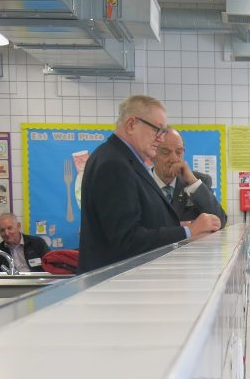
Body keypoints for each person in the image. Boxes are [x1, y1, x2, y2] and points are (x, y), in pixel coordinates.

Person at [78, 95, 220, 273]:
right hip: (114, 285)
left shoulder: (123, 160)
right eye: (157, 130)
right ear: (131, 125)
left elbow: (138, 222)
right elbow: (127, 239)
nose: (161, 138)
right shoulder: (114, 164)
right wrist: (189, 231)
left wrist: (177, 227)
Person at [152, 129, 228, 227]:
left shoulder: (200, 180)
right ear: (152, 153)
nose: (174, 159)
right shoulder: (140, 182)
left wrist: (193, 182)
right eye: (166, 152)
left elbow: (220, 221)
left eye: (179, 152)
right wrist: (186, 228)